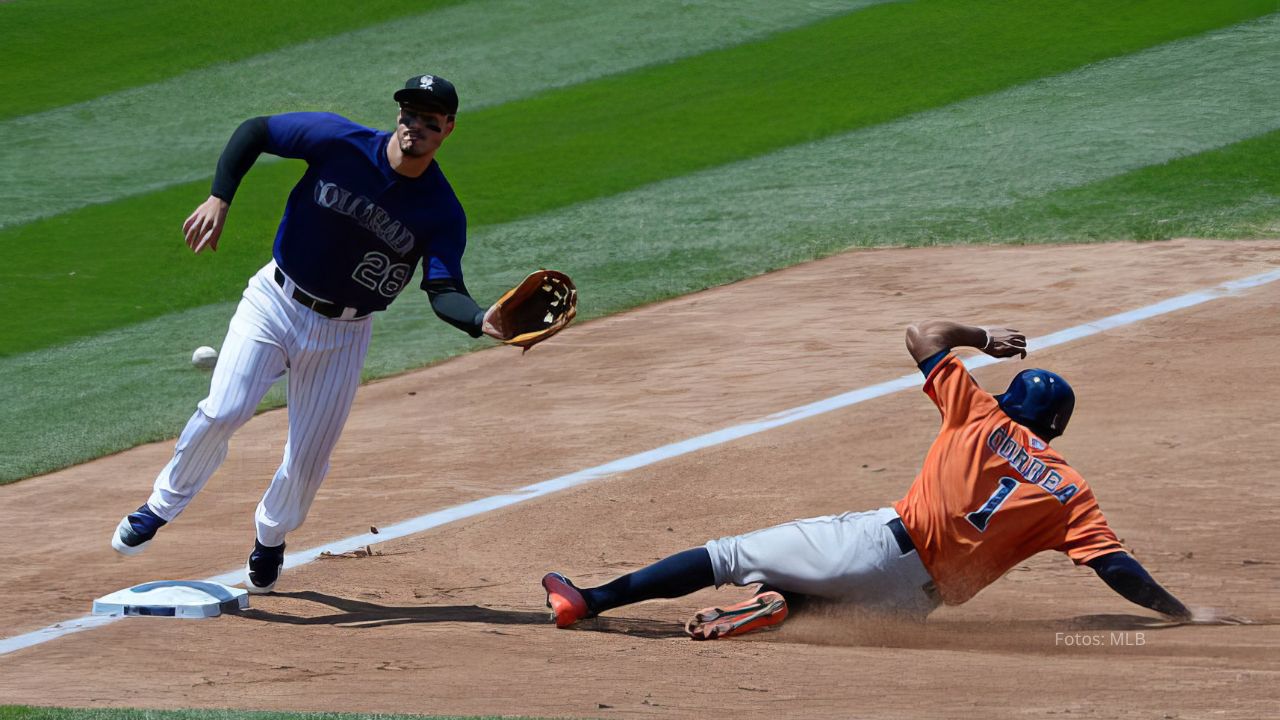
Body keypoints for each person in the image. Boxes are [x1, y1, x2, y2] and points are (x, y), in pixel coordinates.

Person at [542, 320, 1193, 639]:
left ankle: (589, 600)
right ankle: (786, 606)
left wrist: (984, 337)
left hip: (878, 544)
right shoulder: (1068, 490)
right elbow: (1118, 571)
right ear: (1055, 429)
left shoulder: (978, 412)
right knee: (826, 601)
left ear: (1012, 400)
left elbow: (921, 333)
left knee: (727, 555)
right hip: (914, 606)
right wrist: (1182, 613)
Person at [112, 75, 507, 593]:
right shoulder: (337, 141)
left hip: (344, 334)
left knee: (308, 458)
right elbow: (255, 132)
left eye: (429, 119)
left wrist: (479, 320)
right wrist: (219, 198)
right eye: (409, 113)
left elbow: (442, 289)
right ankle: (160, 506)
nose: (416, 125)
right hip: (274, 301)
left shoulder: (441, 211)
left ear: (447, 129)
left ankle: (271, 535)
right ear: (398, 115)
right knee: (224, 409)